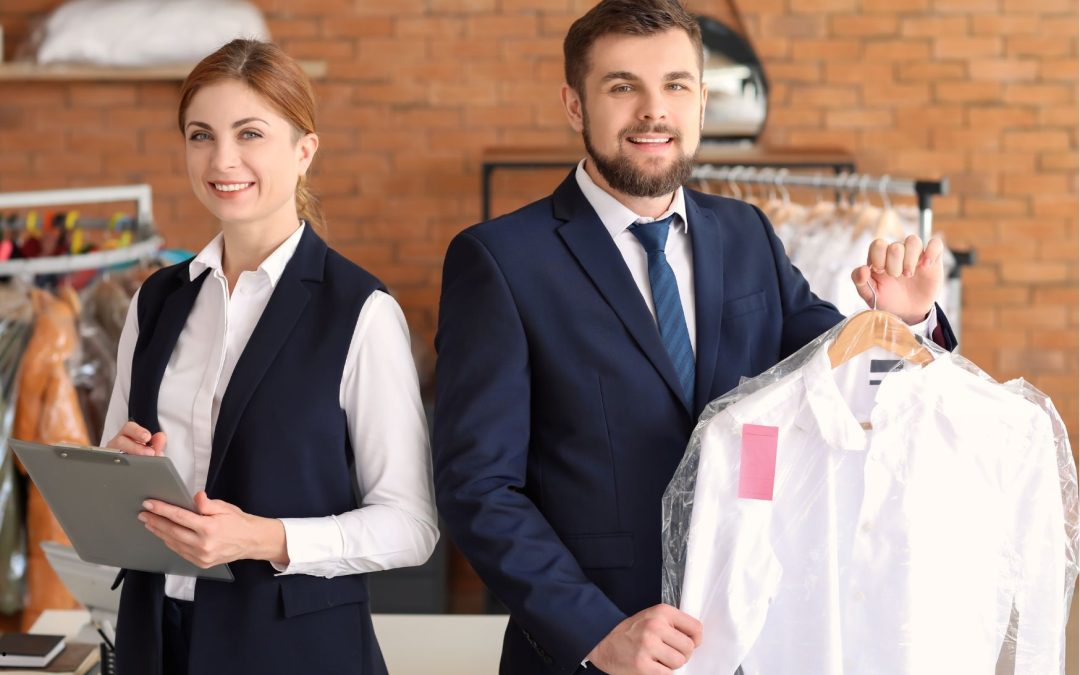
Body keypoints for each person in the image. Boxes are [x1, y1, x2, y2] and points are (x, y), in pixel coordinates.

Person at [432, 2, 956, 674]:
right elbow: (478, 488)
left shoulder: (746, 234)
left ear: (702, 102)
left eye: (676, 86)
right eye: (623, 87)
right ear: (574, 104)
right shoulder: (500, 260)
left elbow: (845, 392)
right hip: (593, 655)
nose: (654, 111)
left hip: (750, 640)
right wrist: (596, 630)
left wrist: (905, 324)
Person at [100, 39, 438, 675]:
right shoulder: (156, 300)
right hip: (153, 640)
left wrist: (264, 537)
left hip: (293, 652)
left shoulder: (360, 312)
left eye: (249, 133)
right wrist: (120, 472)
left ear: (304, 150)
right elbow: (116, 455)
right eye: (201, 135)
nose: (222, 159)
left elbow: (410, 526)